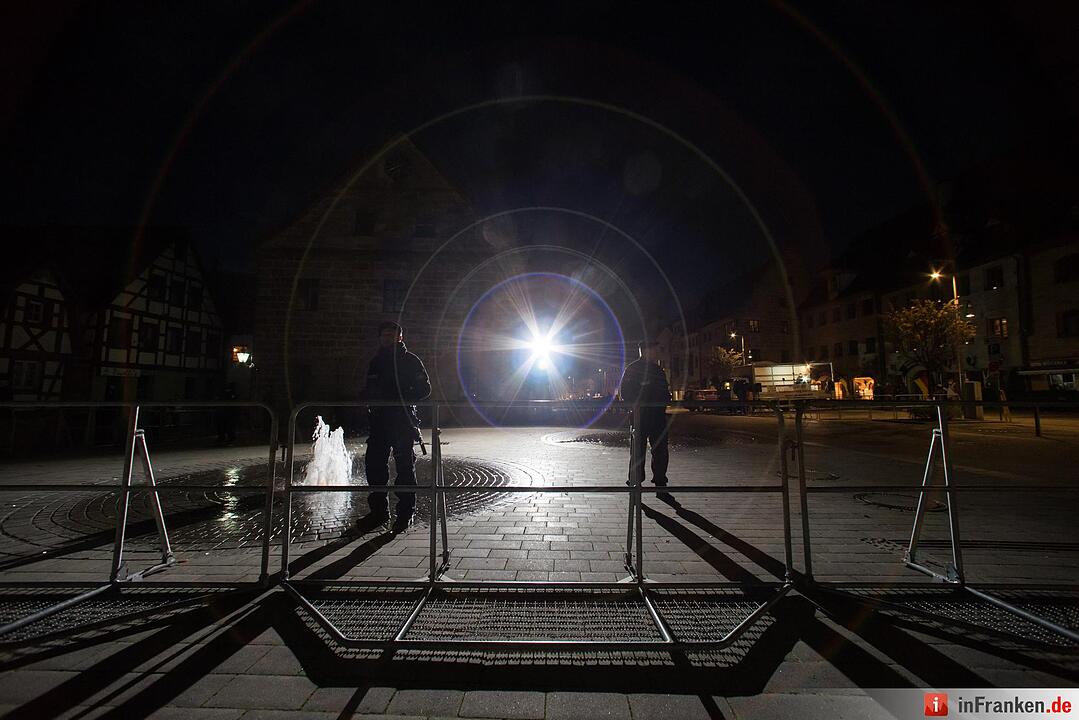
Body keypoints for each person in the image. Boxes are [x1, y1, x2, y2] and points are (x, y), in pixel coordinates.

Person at [363, 321, 431, 531]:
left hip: (402, 420)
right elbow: (370, 387)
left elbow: (425, 389)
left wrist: (401, 396)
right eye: (384, 335)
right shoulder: (376, 362)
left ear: (400, 337)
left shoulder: (410, 361)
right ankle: (379, 512)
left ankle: (405, 513)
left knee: (404, 468)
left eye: (392, 335)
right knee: (374, 465)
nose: (387, 338)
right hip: (380, 421)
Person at [618, 340, 672, 493]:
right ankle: (655, 479)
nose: (656, 353)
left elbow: (626, 394)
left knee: (646, 449)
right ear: (645, 351)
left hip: (648, 415)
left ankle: (641, 479)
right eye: (654, 350)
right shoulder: (645, 370)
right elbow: (626, 394)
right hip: (646, 415)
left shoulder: (636, 369)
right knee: (647, 449)